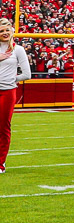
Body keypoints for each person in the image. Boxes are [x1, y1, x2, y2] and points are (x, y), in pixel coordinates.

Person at [0, 19, 30, 174]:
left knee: (3, 127)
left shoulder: (18, 50)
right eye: (1, 31)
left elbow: (27, 74)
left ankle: (1, 162)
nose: (4, 33)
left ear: (11, 31)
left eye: (7, 30)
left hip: (7, 91)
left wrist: (12, 78)